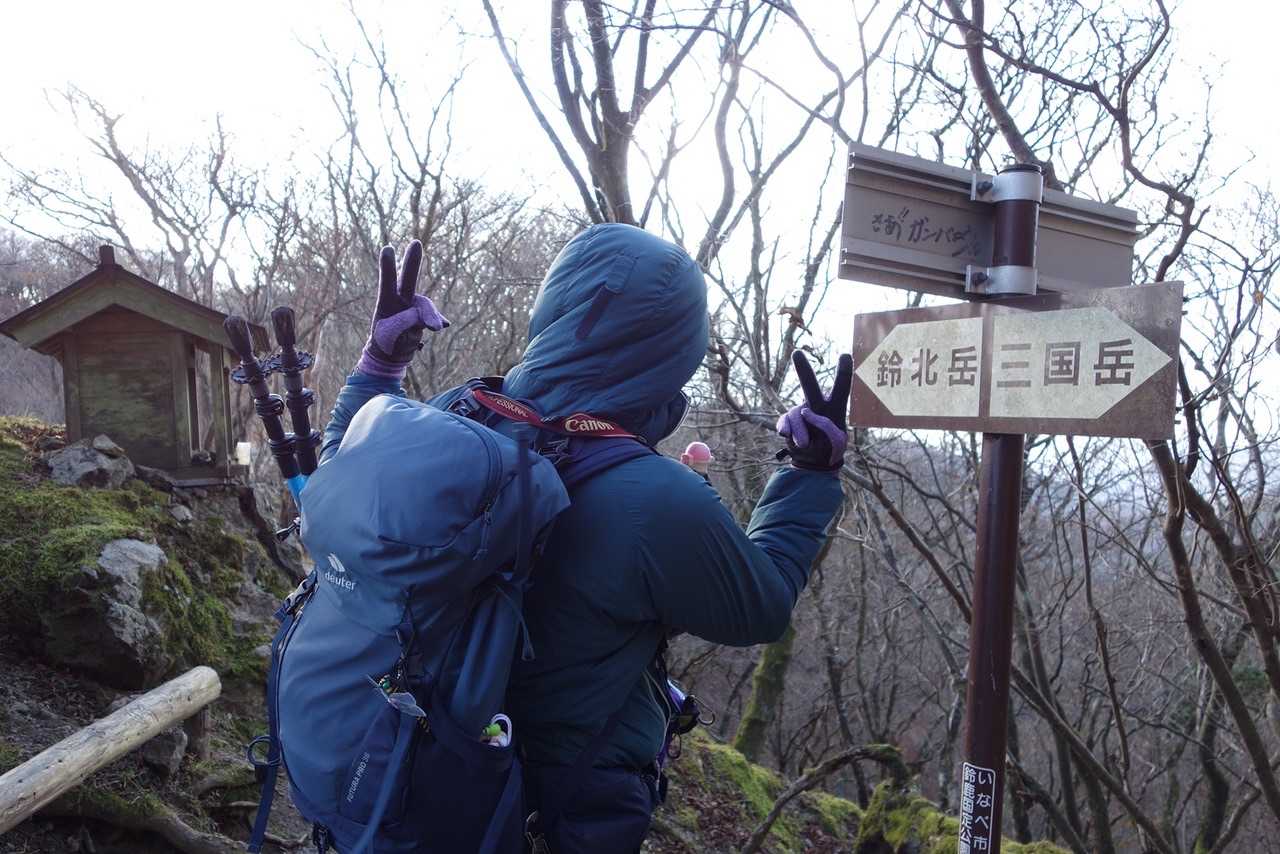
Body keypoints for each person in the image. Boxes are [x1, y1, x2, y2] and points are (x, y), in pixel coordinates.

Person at [323, 223, 851, 853]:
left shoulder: (455, 417)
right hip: (549, 813)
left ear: (554, 305)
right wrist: (809, 475)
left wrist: (380, 367)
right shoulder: (658, 501)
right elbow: (760, 608)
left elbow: (334, 481)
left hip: (391, 766)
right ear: (676, 354)